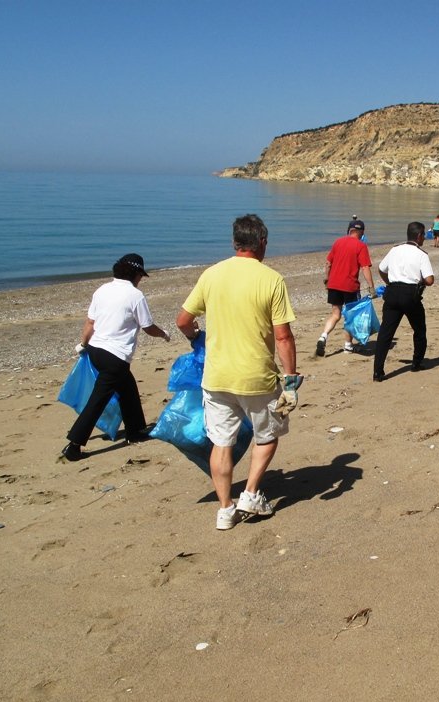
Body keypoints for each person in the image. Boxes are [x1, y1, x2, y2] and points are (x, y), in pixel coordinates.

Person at [175, 214, 301, 531]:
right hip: (256, 376)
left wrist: (194, 337)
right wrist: (291, 377)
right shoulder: (271, 279)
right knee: (269, 435)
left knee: (222, 442)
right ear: (262, 242)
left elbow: (183, 321)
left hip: (217, 377)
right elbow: (283, 336)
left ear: (234, 243)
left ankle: (225, 509)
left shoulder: (211, 275)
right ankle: (249, 494)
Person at [61, 254, 172, 461]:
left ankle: (135, 430)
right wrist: (164, 334)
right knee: (98, 400)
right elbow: (147, 326)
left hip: (96, 351)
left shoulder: (102, 290)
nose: (141, 280)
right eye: (141, 276)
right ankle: (74, 445)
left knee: (127, 387)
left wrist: (83, 345)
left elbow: (90, 323)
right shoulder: (135, 295)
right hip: (115, 358)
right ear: (136, 274)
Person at [373, 222, 435, 382]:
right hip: (410, 294)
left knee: (386, 333)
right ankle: (416, 363)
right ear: (420, 236)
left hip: (392, 292)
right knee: (419, 329)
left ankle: (377, 372)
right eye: (423, 237)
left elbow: (381, 268)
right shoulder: (422, 255)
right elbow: (429, 279)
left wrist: (388, 282)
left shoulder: (395, 250)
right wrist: (420, 280)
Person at [315, 220, 375, 356]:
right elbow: (365, 267)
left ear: (349, 230)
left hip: (334, 284)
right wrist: (371, 287)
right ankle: (348, 346)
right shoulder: (361, 246)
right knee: (350, 316)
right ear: (362, 232)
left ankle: (323, 336)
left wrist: (327, 279)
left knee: (335, 315)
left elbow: (328, 263)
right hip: (350, 286)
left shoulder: (338, 242)